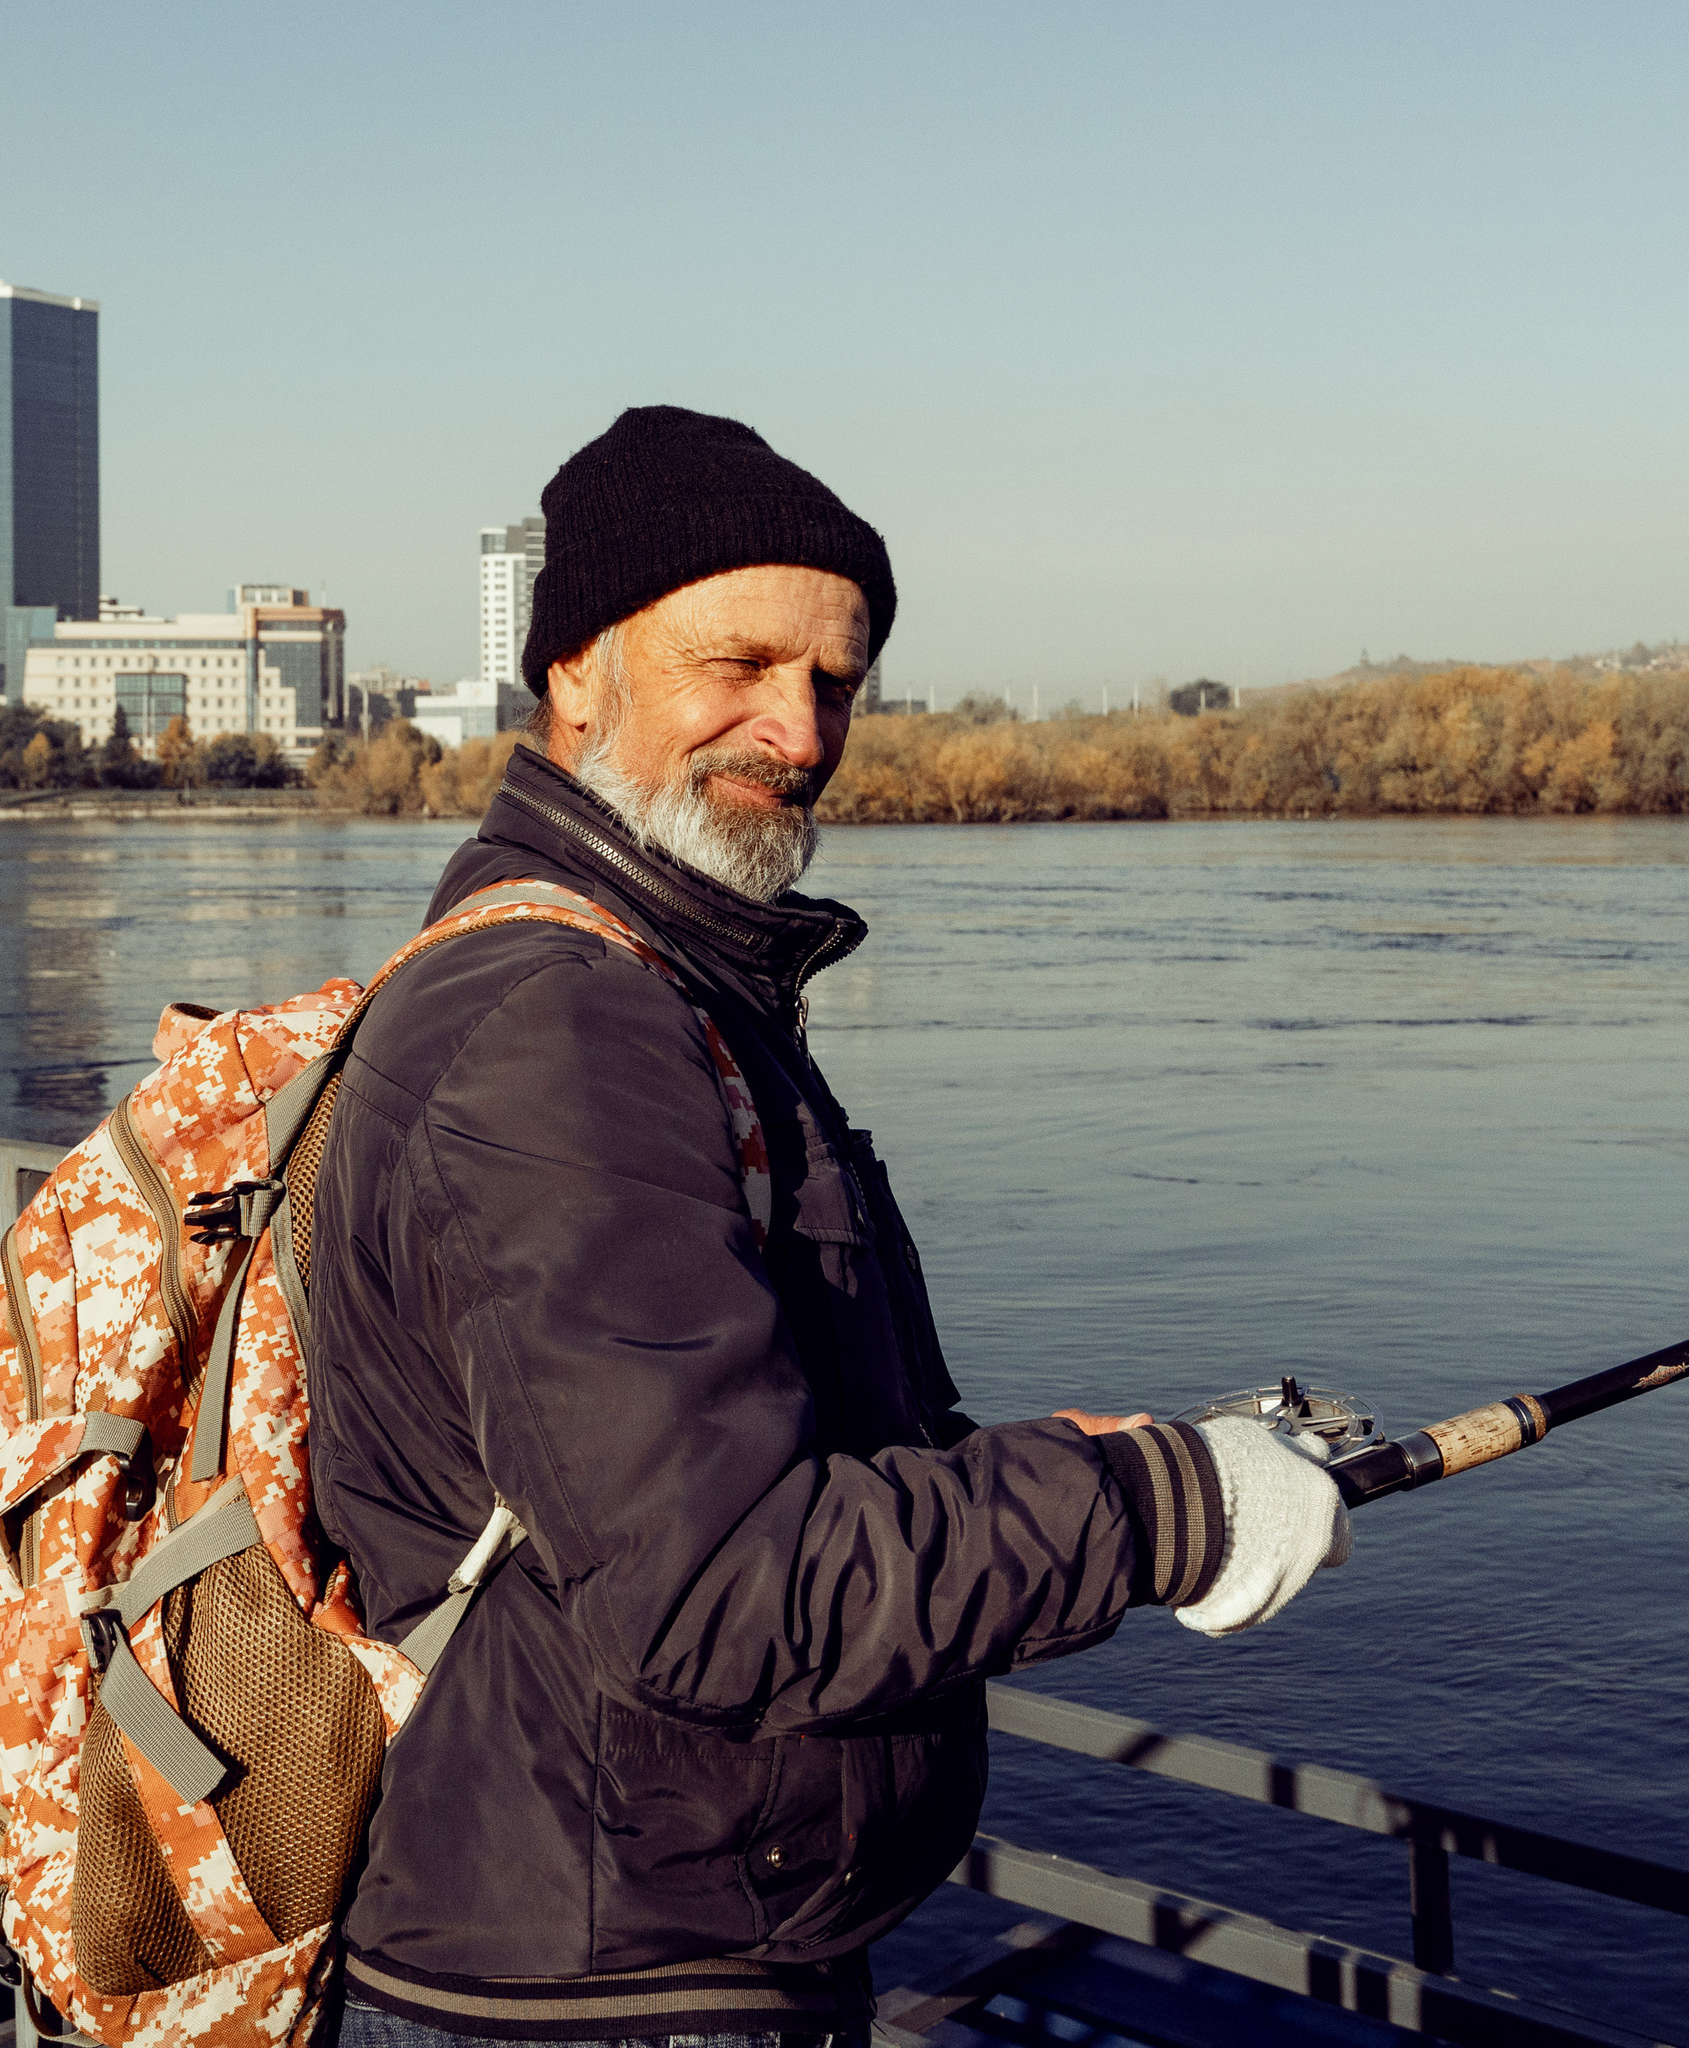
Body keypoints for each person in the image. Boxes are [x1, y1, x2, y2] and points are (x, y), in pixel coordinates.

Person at [308, 406, 1352, 2048]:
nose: (797, 731)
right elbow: (719, 1587)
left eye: (837, 679)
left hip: (618, 1932)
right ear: (575, 670)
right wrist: (1155, 1505)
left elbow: (696, 1482)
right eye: (740, 661)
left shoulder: (639, 981)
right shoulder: (562, 1028)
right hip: (598, 1993)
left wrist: (1023, 1466)